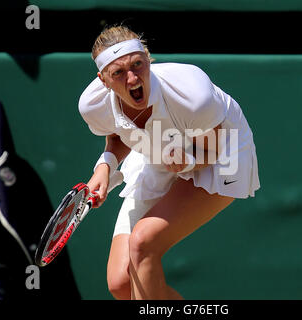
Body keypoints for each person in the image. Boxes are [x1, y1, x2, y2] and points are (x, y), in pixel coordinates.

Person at [78, 25, 260, 300]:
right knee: (120, 282)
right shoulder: (93, 106)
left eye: (138, 65)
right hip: (161, 150)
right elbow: (120, 133)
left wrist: (187, 163)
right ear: (103, 81)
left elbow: (214, 150)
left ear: (148, 59)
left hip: (224, 153)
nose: (132, 78)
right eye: (118, 73)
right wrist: (105, 165)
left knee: (143, 242)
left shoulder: (192, 97)